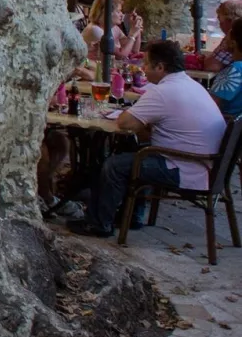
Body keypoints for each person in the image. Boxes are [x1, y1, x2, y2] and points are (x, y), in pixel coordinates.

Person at [69, 40, 226, 237]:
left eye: (146, 63)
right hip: (204, 165)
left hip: (184, 167)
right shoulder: (190, 84)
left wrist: (140, 120)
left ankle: (99, 223)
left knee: (115, 166)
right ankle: (131, 215)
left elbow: (125, 123)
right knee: (133, 152)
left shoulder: (162, 91)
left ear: (160, 67)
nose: (142, 69)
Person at [81, 0, 143, 64]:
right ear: (106, 12)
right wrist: (132, 34)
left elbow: (134, 50)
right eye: (118, 11)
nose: (122, 15)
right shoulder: (95, 30)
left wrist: (137, 27)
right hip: (92, 70)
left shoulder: (114, 28)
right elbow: (121, 55)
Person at [206, 19, 242, 119]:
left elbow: (209, 106)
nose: (224, 38)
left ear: (233, 43)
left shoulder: (235, 71)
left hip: (223, 126)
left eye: (228, 34)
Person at [203, 0, 242, 71]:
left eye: (219, 19)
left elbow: (212, 66)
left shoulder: (233, 37)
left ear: (229, 20)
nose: (219, 24)